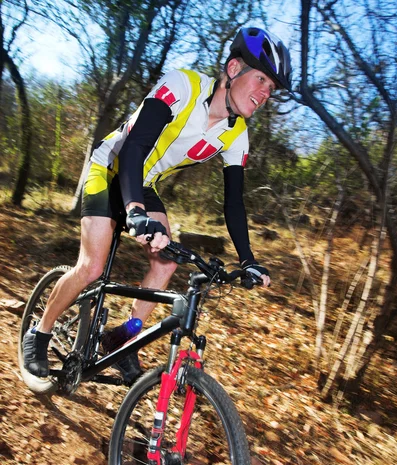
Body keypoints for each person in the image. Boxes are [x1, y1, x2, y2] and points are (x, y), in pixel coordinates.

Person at [23, 26, 292, 385]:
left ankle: (124, 337)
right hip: (110, 166)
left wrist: (248, 260)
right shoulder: (183, 86)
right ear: (233, 69)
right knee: (91, 267)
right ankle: (39, 332)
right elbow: (134, 148)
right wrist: (133, 210)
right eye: (261, 79)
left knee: (166, 263)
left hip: (143, 182)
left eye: (271, 89)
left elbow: (234, 201)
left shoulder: (236, 133)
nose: (265, 93)